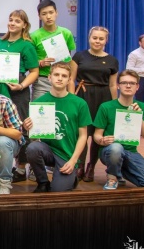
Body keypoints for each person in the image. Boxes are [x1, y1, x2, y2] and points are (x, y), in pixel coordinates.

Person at [23, 62, 92, 192]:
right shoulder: (38, 103)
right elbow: (35, 136)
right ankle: (43, 182)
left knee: (58, 191)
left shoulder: (80, 103)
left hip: (67, 154)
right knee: (33, 148)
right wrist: (28, 127)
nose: (60, 78)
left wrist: (73, 161)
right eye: (56, 75)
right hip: (48, 151)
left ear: (69, 80)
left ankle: (71, 178)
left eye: (64, 76)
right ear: (49, 77)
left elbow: (83, 136)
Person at [0, 10, 39, 182]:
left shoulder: (27, 45)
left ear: (24, 25)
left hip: (18, 89)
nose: (13, 23)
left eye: (17, 21)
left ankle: (21, 168)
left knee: (21, 126)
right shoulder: (0, 42)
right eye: (11, 20)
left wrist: (22, 85)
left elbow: (34, 71)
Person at [93, 69, 144, 189]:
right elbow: (97, 135)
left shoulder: (143, 107)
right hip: (110, 150)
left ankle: (119, 171)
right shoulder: (106, 107)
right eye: (124, 83)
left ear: (137, 87)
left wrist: (138, 116)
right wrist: (102, 140)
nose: (128, 86)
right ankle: (112, 177)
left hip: (131, 152)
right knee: (116, 148)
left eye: (132, 83)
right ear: (118, 86)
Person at [71, 26, 118, 182]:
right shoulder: (79, 56)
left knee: (99, 131)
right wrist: (71, 98)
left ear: (106, 40)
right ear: (89, 38)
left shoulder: (112, 60)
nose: (97, 41)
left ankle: (91, 166)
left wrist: (114, 106)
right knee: (82, 131)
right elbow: (71, 79)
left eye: (101, 38)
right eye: (95, 38)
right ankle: (80, 165)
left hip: (103, 97)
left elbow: (113, 85)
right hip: (83, 95)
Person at [30, 0, 76, 100]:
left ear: (56, 13)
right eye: (44, 14)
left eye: (51, 12)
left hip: (61, 78)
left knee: (62, 108)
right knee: (40, 109)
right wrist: (41, 62)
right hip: (42, 80)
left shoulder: (66, 33)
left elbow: (68, 60)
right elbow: (30, 63)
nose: (48, 16)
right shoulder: (34, 36)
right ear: (39, 16)